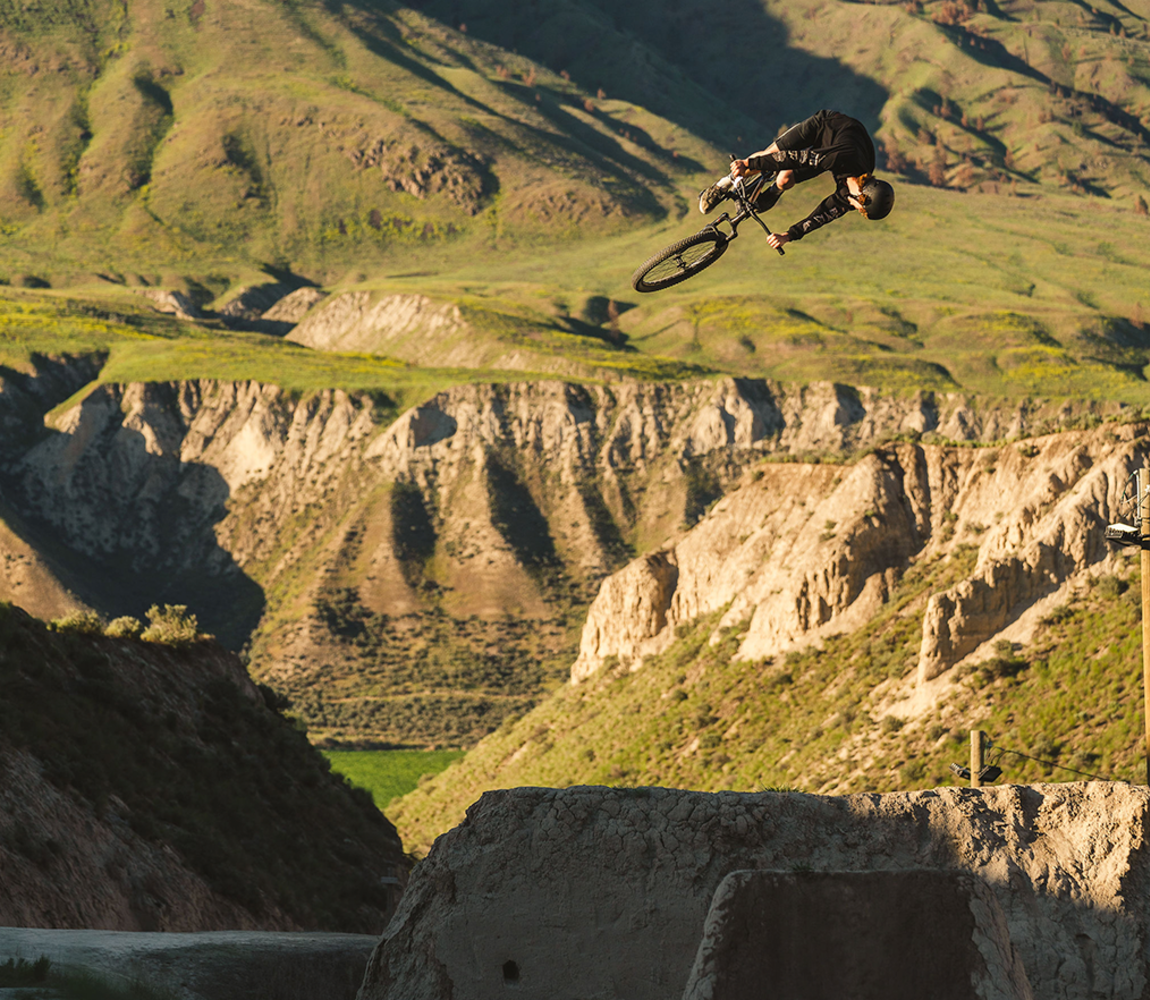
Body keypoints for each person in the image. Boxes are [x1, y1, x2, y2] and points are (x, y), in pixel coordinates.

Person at [698, 109, 894, 251]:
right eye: (860, 209)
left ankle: (774, 190)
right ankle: (722, 185)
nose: (855, 210)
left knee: (785, 180)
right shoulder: (842, 157)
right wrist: (748, 163)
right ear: (862, 196)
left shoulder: (850, 195)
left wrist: (788, 235)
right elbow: (793, 157)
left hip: (833, 151)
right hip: (825, 126)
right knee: (767, 158)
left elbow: (823, 216)